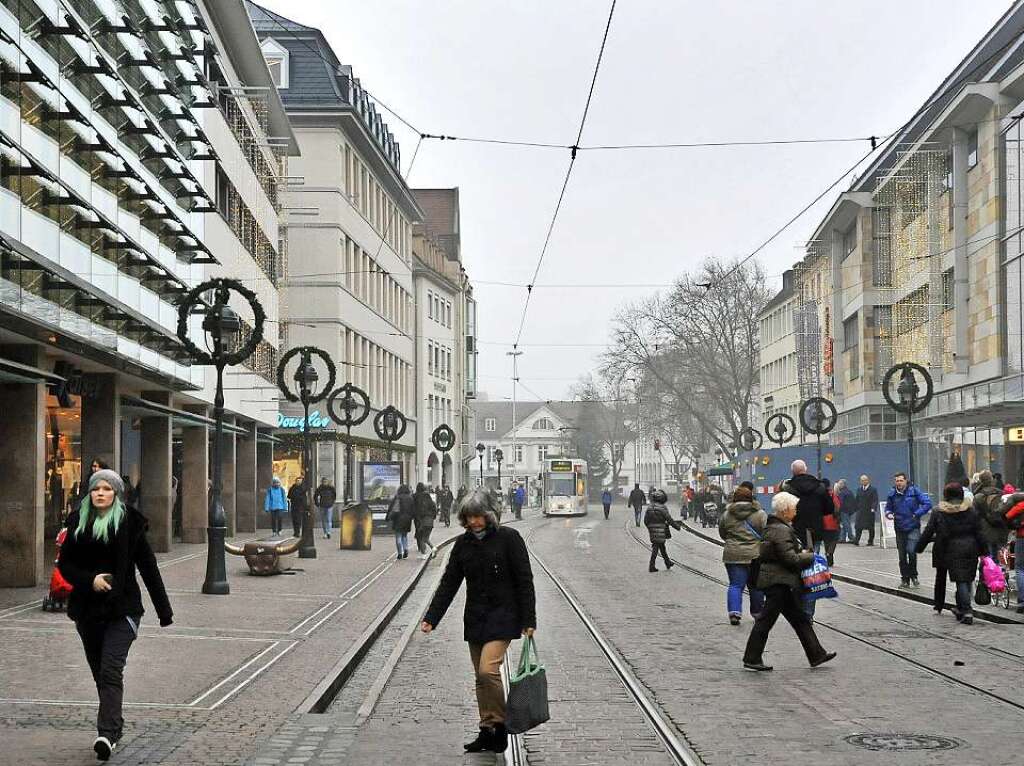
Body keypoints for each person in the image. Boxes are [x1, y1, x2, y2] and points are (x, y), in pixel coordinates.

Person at [57, 470, 173, 760]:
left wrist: (164, 611)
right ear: (90, 493)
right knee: (100, 673)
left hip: (123, 610)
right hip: (87, 611)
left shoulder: (130, 524)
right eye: (96, 489)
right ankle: (116, 726)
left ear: (116, 494)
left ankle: (106, 734)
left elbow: (148, 568)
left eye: (107, 489)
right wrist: (90, 580)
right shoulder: (78, 523)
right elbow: (65, 565)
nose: (100, 493)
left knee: (110, 669)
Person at [421, 489, 536, 755]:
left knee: (488, 671)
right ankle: (487, 729)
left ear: (489, 515)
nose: (473, 522)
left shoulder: (510, 539)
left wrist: (529, 619)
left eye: (477, 516)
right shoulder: (463, 544)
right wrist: (431, 618)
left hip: (504, 616)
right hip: (476, 617)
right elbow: (449, 583)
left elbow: (524, 581)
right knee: (480, 679)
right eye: (468, 517)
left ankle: (500, 724)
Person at [741, 491, 836, 672]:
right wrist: (809, 557)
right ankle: (751, 657)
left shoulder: (776, 527)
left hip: (780, 581)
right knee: (766, 621)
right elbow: (790, 559)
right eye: (793, 508)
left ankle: (816, 654)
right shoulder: (781, 530)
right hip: (779, 582)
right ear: (785, 511)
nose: (796, 512)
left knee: (800, 619)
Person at [916, 483, 986, 624]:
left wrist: (919, 547)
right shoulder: (971, 510)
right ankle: (961, 607)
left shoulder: (939, 511)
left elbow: (929, 531)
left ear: (946, 495)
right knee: (967, 578)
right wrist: (985, 551)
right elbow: (979, 531)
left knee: (960, 580)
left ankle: (966, 610)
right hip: (971, 547)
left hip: (951, 548)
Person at [718, 485, 766, 625]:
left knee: (735, 585)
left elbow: (722, 532)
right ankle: (757, 612)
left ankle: (734, 613)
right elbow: (766, 532)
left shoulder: (727, 514)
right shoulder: (759, 514)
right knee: (756, 585)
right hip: (755, 554)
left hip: (733, 554)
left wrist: (732, 540)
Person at [885, 472, 933, 589]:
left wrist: (917, 514)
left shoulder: (914, 491)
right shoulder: (892, 494)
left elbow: (927, 503)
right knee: (902, 556)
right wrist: (888, 514)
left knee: (911, 551)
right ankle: (905, 579)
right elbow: (888, 508)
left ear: (906, 481)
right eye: (897, 481)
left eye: (901, 480)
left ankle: (914, 575)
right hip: (899, 527)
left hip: (913, 526)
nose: (899, 483)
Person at [781, 460, 831, 554]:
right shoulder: (820, 486)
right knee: (814, 555)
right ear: (806, 469)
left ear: (793, 471)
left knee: (798, 555)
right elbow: (829, 508)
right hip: (816, 527)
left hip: (796, 528)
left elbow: (783, 509)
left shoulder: (788, 488)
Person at [973, 470, 1009, 559]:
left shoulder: (978, 497)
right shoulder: (1001, 494)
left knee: (988, 561)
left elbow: (974, 517)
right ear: (992, 480)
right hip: (1001, 530)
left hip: (985, 532)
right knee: (1001, 559)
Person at [644, 488, 680, 572]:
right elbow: (669, 519)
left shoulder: (649, 508)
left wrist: (650, 527)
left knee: (661, 546)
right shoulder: (662, 508)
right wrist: (677, 526)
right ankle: (651, 566)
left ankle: (667, 562)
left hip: (652, 529)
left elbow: (646, 521)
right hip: (660, 528)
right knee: (656, 547)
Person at [1003, 495, 1024, 614]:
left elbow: (1008, 515)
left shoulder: (1021, 505)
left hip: (1022, 537)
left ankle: (1022, 602)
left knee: (1020, 569)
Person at [386, 484, 414, 560]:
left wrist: (388, 517)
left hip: (398, 519)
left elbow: (394, 509)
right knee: (404, 536)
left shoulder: (398, 497)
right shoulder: (410, 498)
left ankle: (400, 553)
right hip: (407, 520)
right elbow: (413, 510)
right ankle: (406, 549)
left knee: (398, 536)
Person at [413, 482, 437, 558]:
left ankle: (423, 554)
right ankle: (433, 548)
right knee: (426, 538)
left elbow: (419, 511)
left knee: (421, 538)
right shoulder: (430, 501)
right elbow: (434, 509)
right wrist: (433, 517)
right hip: (430, 522)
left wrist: (418, 518)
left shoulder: (418, 498)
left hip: (422, 522)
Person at [820, 478, 840, 567]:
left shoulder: (819, 495)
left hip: (823, 521)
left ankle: (828, 558)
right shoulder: (832, 495)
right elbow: (837, 506)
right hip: (832, 521)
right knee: (834, 539)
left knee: (826, 541)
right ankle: (830, 553)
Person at [854, 475, 879, 546]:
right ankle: (856, 540)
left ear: (868, 480)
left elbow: (875, 500)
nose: (863, 482)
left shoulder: (873, 489)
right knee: (858, 526)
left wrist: (873, 508)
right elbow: (857, 499)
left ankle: (870, 541)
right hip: (860, 511)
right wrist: (855, 508)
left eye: (865, 480)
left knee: (870, 527)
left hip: (869, 511)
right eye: (862, 480)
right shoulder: (859, 489)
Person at [835, 479, 856, 544]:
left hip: (844, 510)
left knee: (846, 524)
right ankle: (842, 538)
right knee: (845, 524)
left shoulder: (842, 493)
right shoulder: (849, 491)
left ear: (843, 484)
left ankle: (851, 537)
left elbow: (840, 502)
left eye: (840, 484)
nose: (839, 485)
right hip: (849, 510)